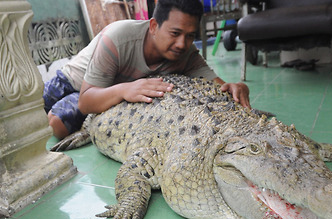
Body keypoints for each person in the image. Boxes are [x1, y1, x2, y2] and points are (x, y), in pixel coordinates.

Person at [43, 0, 251, 140]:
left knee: (59, 126)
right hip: (75, 80)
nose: (181, 43)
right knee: (26, 112)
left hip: (106, 93)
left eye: (190, 35)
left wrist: (235, 88)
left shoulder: (187, 53)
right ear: (153, 26)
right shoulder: (117, 37)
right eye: (175, 33)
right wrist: (124, 90)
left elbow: (220, 87)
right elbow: (86, 101)